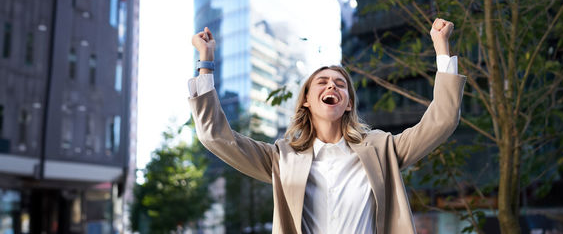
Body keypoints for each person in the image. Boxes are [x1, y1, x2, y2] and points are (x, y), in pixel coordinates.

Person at [188, 18, 466, 234]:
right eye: (322, 82)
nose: (332, 84)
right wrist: (206, 63)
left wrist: (442, 50)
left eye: (340, 83)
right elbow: (215, 136)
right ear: (307, 100)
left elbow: (441, 120)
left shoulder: (382, 150)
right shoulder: (281, 158)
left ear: (347, 103)